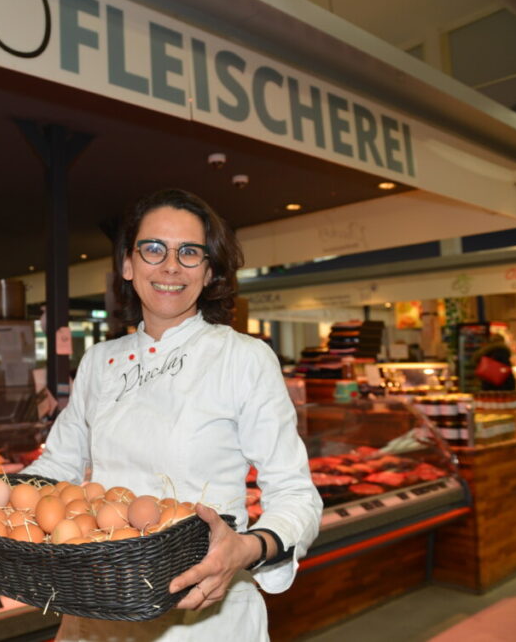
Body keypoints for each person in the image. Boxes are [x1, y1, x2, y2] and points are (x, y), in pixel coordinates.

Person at [23, 189, 321, 641]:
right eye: (154, 248)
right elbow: (58, 465)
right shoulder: (100, 361)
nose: (170, 266)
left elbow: (296, 493)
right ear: (128, 264)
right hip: (101, 605)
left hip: (205, 613)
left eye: (189, 253)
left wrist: (246, 547)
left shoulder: (244, 358)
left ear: (209, 270)